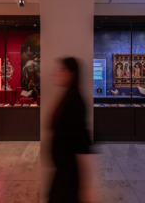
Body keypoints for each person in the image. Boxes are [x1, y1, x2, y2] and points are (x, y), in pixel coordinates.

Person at [48, 57, 98, 203]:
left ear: (72, 73)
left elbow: (82, 145)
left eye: (62, 70)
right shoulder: (68, 96)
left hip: (69, 175)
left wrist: (86, 187)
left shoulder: (76, 101)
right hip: (62, 171)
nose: (57, 73)